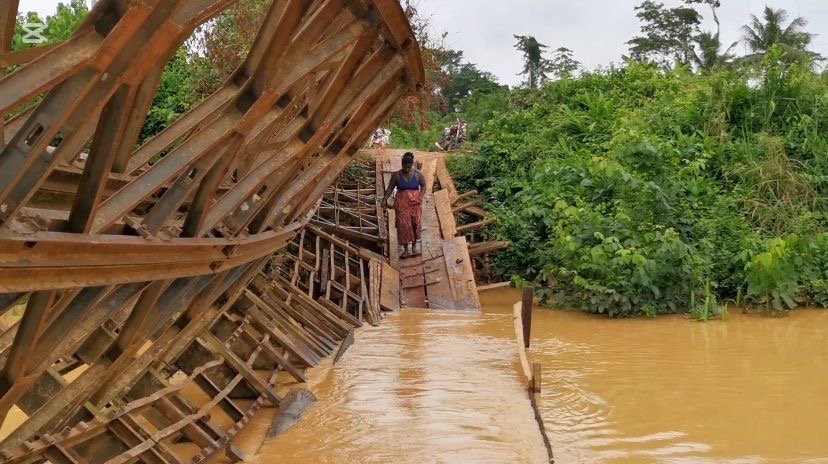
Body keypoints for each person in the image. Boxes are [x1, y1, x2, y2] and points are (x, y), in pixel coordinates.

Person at [383, 152, 426, 257]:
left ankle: (414, 247)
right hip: (402, 204)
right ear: (402, 164)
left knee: (415, 223)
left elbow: (424, 186)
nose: (407, 169)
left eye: (409, 167)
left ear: (411, 165)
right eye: (405, 167)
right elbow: (390, 188)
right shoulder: (396, 175)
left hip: (415, 203)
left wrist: (420, 196)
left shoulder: (418, 174)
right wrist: (384, 200)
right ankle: (406, 250)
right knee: (404, 225)